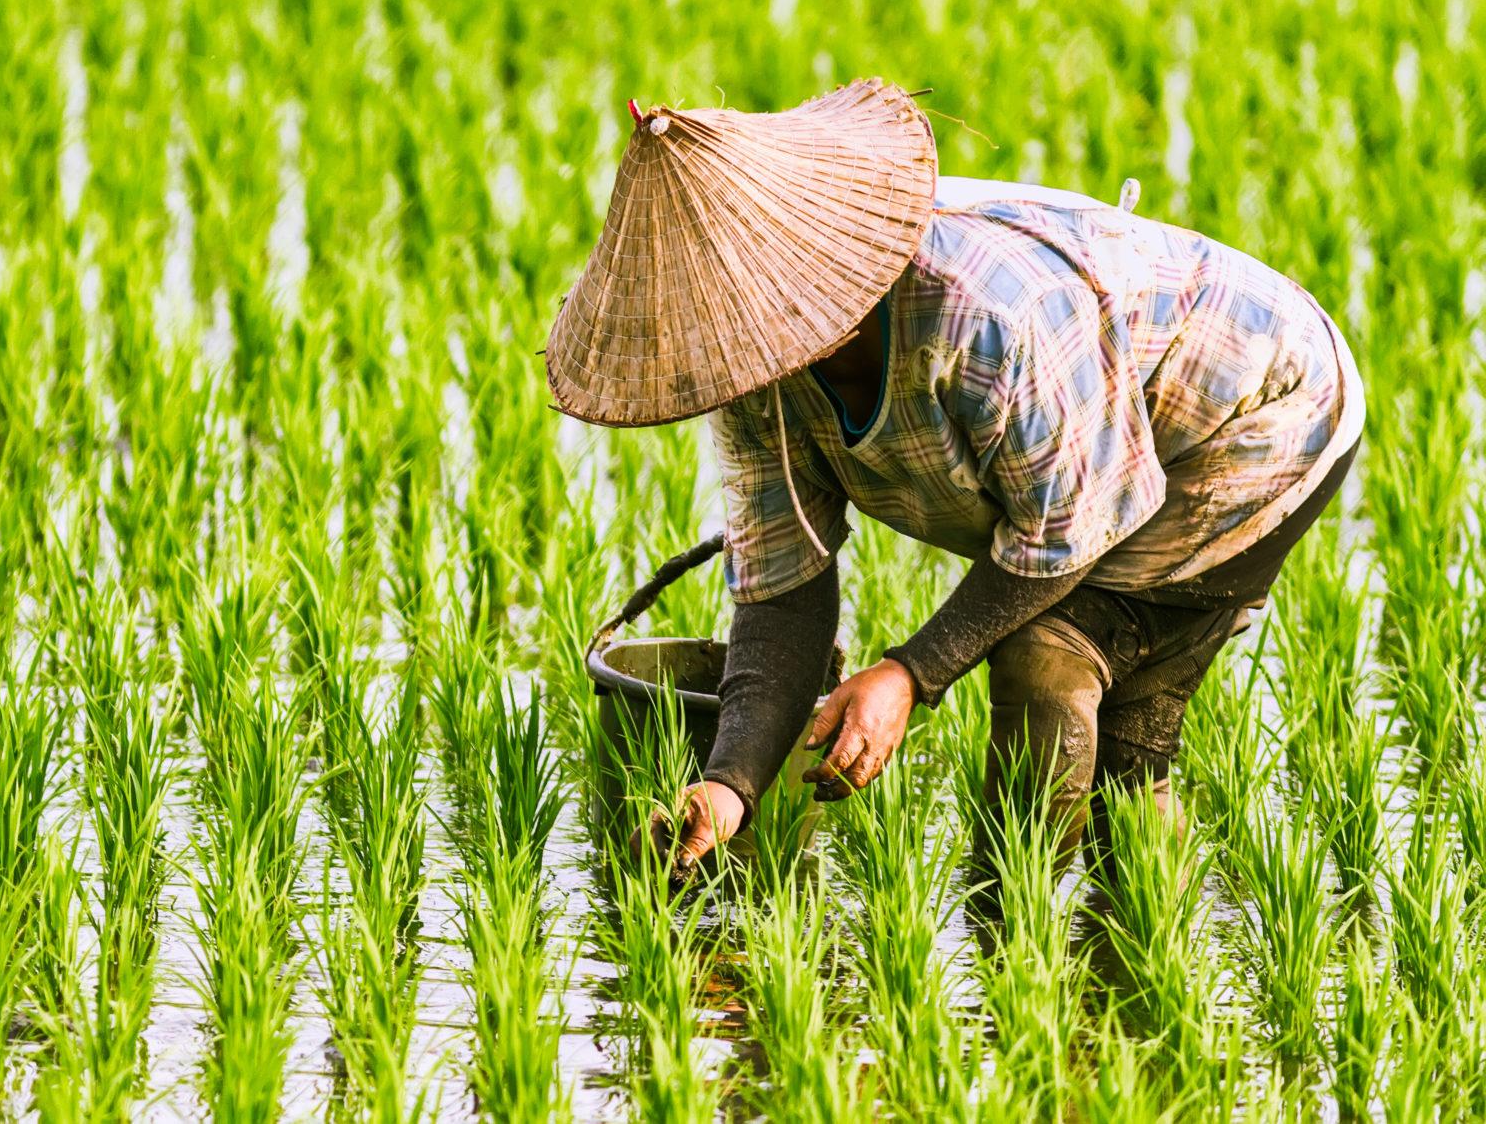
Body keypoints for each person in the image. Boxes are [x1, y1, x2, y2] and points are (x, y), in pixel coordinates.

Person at [543, 81, 1362, 870]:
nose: (745, 351)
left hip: (1263, 410)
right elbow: (784, 594)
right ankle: (1111, 957)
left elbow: (1063, 530)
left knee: (1050, 657)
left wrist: (908, 673)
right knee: (1121, 749)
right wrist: (730, 783)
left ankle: (1016, 942)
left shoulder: (984, 319)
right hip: (1110, 450)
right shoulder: (756, 380)